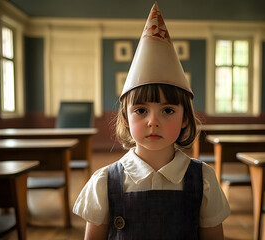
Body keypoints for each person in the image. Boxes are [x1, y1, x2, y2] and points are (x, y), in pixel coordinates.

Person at [73, 3, 230, 239]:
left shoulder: (203, 179)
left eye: (167, 110)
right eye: (141, 110)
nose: (153, 121)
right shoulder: (105, 182)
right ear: (125, 119)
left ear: (186, 118)